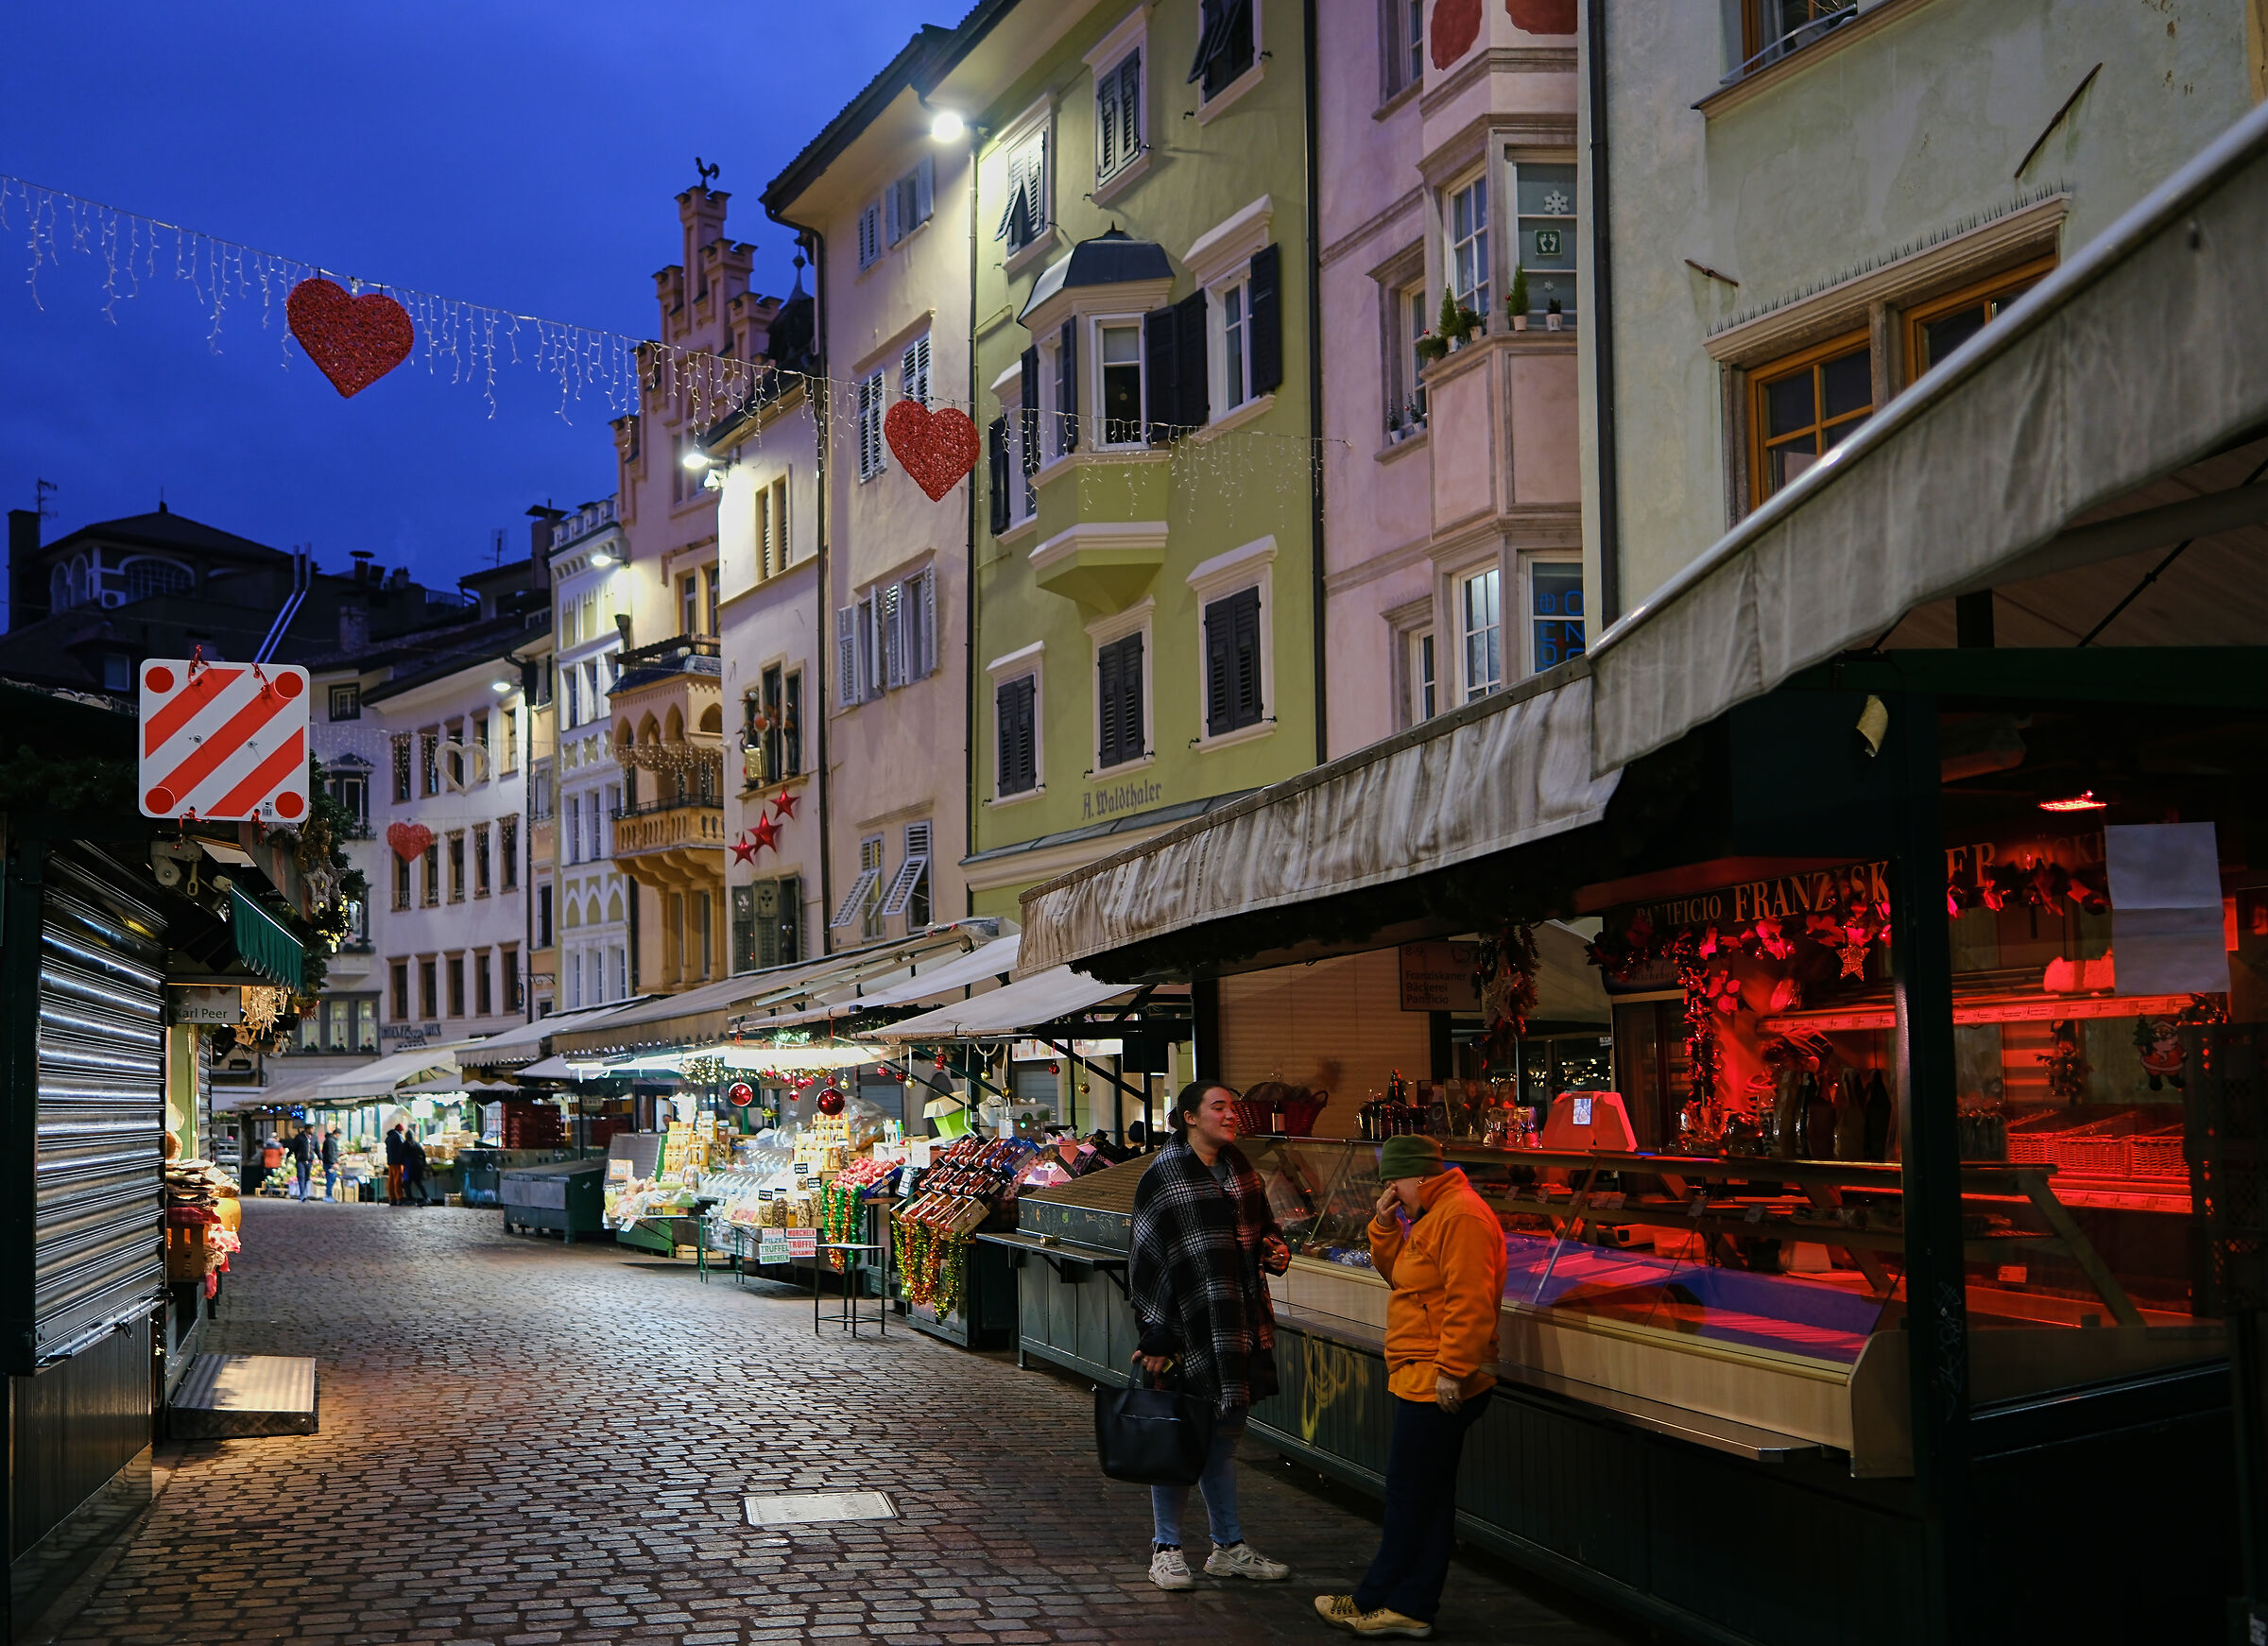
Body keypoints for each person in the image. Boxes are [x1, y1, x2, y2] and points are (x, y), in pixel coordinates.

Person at [1314, 1135, 1507, 1639]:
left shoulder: (1460, 1216)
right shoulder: (1434, 1214)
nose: (1391, 1192)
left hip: (1438, 1378)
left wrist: (1452, 1369)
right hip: (1424, 1373)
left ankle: (1379, 1599)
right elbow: (1401, 1276)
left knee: (1409, 1495)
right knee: (1428, 1496)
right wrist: (1383, 1223)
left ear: (1418, 1176)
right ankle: (1409, 1604)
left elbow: (1471, 1301)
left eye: (1393, 1183)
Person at [1127, 1081, 1294, 1593]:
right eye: (1218, 1107)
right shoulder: (1164, 1175)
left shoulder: (1242, 1171)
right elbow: (1145, 1255)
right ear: (1189, 1118)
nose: (1230, 1115)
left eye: (1232, 1106)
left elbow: (1263, 1229)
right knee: (1178, 1438)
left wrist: (1273, 1248)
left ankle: (1228, 1547)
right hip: (1186, 1331)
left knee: (1222, 1441)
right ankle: (1166, 1549)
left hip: (1238, 1323)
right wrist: (1156, 1331)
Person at [404, 1131, 434, 1207]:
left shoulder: (405, 1144)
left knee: (407, 1184)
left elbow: (402, 1155)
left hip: (409, 1167)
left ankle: (410, 1199)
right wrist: (423, 1164)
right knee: (419, 1183)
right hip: (418, 1166)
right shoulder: (417, 1144)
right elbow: (423, 1155)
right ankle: (426, 1198)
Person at [384, 1122, 407, 1206]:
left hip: (390, 1161)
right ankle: (399, 1197)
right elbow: (403, 1148)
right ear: (400, 1130)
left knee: (391, 1180)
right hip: (397, 1162)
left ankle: (391, 1198)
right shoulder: (398, 1136)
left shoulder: (389, 1137)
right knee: (398, 1181)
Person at [319, 1126, 340, 1201]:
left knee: (331, 1178)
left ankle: (328, 1195)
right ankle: (328, 1195)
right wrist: (334, 1163)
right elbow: (331, 1153)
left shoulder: (329, 1140)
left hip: (328, 1163)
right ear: (337, 1134)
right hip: (330, 1164)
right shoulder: (331, 1141)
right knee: (331, 1178)